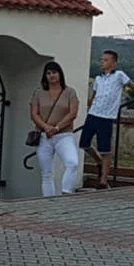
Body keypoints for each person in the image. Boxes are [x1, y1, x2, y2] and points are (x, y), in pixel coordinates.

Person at [80, 50, 134, 189]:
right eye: (102, 59)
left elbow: (133, 86)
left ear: (113, 63)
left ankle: (103, 179)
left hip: (107, 117)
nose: (102, 62)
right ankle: (99, 161)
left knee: (105, 149)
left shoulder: (119, 75)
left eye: (106, 60)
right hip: (93, 114)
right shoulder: (98, 79)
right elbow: (94, 96)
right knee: (84, 143)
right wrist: (89, 106)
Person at [30, 62, 81, 196]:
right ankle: (49, 202)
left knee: (72, 162)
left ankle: (66, 191)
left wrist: (57, 127)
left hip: (64, 135)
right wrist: (46, 127)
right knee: (46, 173)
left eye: (54, 72)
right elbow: (34, 114)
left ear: (60, 74)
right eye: (48, 73)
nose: (51, 75)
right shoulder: (39, 92)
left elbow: (73, 113)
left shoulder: (70, 92)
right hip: (44, 136)